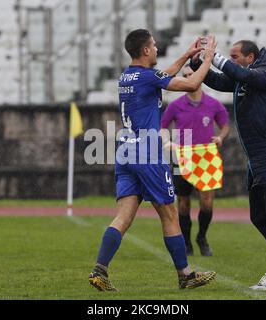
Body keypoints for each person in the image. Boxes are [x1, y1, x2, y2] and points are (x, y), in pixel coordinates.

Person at [88, 29, 218, 291]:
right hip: (147, 153)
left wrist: (186, 55)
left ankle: (99, 270)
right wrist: (207, 59)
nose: (157, 49)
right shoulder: (147, 78)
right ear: (146, 51)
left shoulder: (128, 75)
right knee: (169, 214)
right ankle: (185, 275)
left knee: (123, 217)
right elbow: (191, 85)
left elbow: (162, 75)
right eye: (155, 46)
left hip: (125, 151)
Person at [190, 39, 266, 290]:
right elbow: (220, 81)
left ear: (250, 57)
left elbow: (240, 74)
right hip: (259, 159)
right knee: (258, 216)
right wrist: (198, 61)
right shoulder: (246, 76)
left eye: (234, 57)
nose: (230, 61)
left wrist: (216, 56)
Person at [161, 65, 230, 257]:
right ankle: (187, 242)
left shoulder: (214, 104)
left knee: (207, 201)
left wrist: (221, 137)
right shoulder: (175, 106)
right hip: (182, 155)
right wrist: (167, 142)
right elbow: (162, 126)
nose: (188, 78)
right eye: (185, 76)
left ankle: (202, 237)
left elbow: (225, 125)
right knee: (183, 203)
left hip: (206, 156)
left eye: (191, 75)